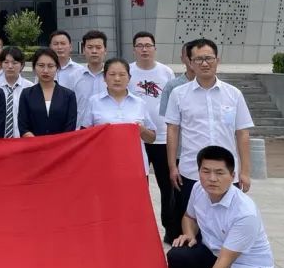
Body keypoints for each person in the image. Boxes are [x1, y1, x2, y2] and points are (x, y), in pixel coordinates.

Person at [165, 145, 275, 268]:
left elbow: (224, 263)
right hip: (214, 256)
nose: (212, 178)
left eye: (219, 173)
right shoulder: (198, 189)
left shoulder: (244, 212)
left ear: (232, 176)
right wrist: (189, 234)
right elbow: (189, 217)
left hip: (247, 267)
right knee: (179, 254)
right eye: (206, 171)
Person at [165, 38, 255, 230]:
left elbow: (242, 133)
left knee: (226, 224)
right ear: (190, 63)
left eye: (208, 58)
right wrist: (172, 166)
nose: (204, 63)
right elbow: (172, 131)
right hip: (191, 171)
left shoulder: (234, 94)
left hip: (226, 172)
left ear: (217, 60)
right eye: (198, 59)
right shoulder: (178, 94)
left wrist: (245, 172)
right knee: (191, 222)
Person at [129, 31, 175, 240]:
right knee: (139, 186)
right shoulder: (128, 71)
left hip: (163, 137)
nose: (144, 49)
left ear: (155, 48)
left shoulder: (166, 72)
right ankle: (140, 230)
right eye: (140, 46)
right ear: (134, 49)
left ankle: (170, 230)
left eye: (148, 45)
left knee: (167, 186)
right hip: (135, 139)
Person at [80, 57, 156, 174]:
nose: (117, 79)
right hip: (103, 165)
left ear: (129, 78)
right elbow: (83, 136)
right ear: (104, 78)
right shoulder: (94, 101)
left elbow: (152, 138)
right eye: (112, 74)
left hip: (134, 166)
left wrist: (142, 130)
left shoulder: (139, 103)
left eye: (122, 74)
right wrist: (98, 132)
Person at [160, 40, 197, 243]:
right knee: (179, 198)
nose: (196, 61)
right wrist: (172, 161)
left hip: (205, 156)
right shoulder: (174, 87)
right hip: (182, 153)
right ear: (184, 58)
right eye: (191, 57)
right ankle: (175, 234)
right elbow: (170, 125)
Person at [18, 47, 78, 136]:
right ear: (34, 67)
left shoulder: (68, 95)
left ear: (57, 67)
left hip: (61, 143)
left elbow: (70, 126)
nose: (45, 70)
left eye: (50, 66)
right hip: (34, 143)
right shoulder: (26, 94)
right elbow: (23, 125)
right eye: (41, 65)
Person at [0, 46, 33, 138]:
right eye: (6, 62)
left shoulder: (30, 88)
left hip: (23, 139)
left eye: (14, 63)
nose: (10, 66)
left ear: (22, 65)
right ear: (0, 64)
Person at [72, 30, 108, 117]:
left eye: (98, 47)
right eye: (90, 47)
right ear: (84, 50)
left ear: (105, 50)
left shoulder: (113, 76)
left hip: (107, 125)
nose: (94, 51)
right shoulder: (74, 76)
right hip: (81, 125)